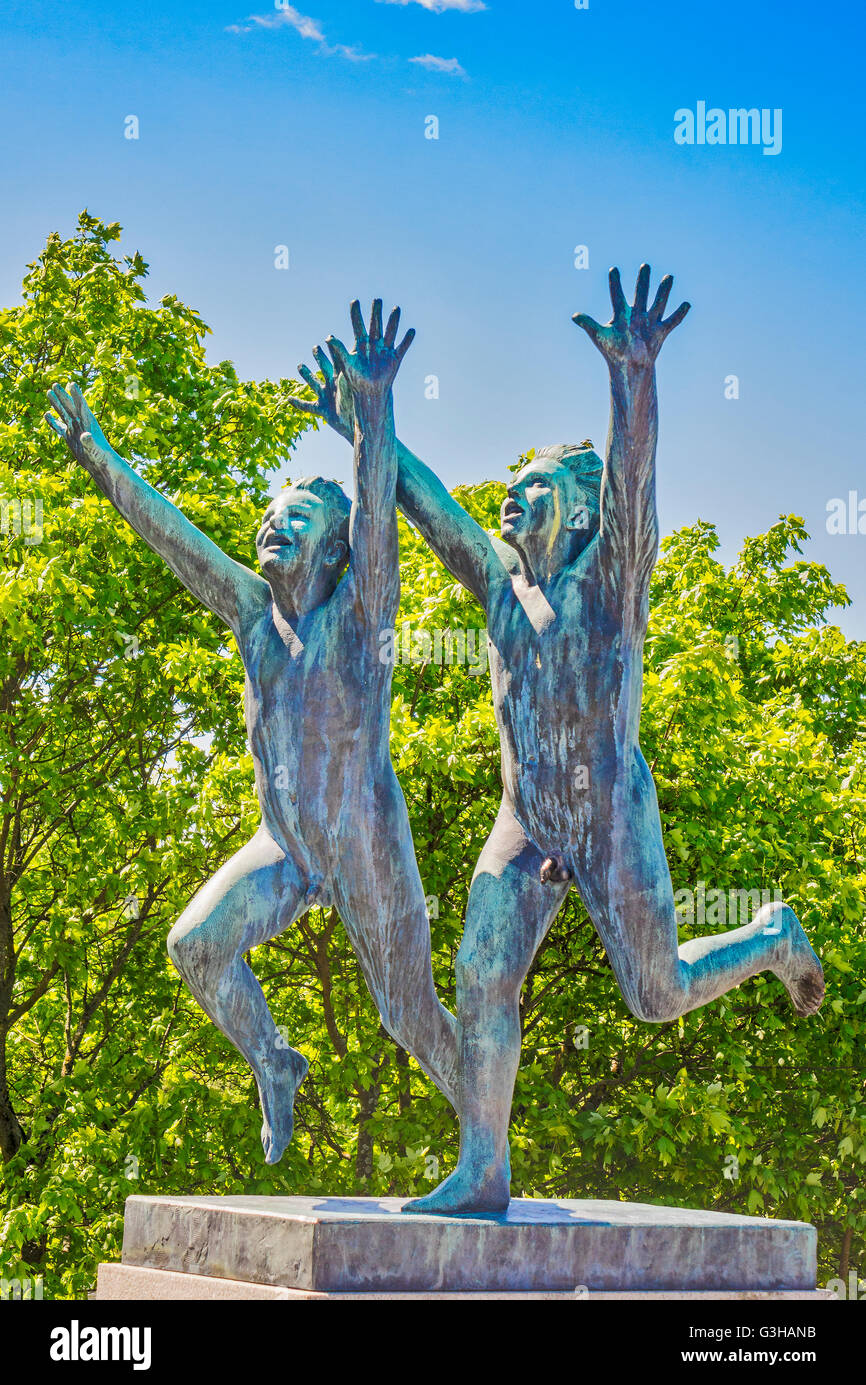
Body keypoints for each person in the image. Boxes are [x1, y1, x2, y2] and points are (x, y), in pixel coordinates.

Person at [299, 267, 825, 1214]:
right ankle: (484, 1167)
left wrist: (633, 379)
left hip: (612, 819)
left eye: (533, 490)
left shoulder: (611, 586)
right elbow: (430, 511)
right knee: (479, 973)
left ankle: (767, 935)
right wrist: (371, 421)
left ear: (576, 513)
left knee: (655, 995)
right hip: (529, 824)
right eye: (511, 487)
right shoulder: (503, 585)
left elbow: (634, 482)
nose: (510, 501)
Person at [46, 300, 457, 1165]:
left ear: (337, 550)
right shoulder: (249, 611)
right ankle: (274, 1060)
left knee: (407, 1014)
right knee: (194, 946)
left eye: (295, 519)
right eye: (269, 517)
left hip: (364, 848)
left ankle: (483, 1139)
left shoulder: (361, 613)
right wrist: (98, 456)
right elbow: (172, 538)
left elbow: (381, 521)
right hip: (288, 848)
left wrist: (373, 413)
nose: (272, 526)